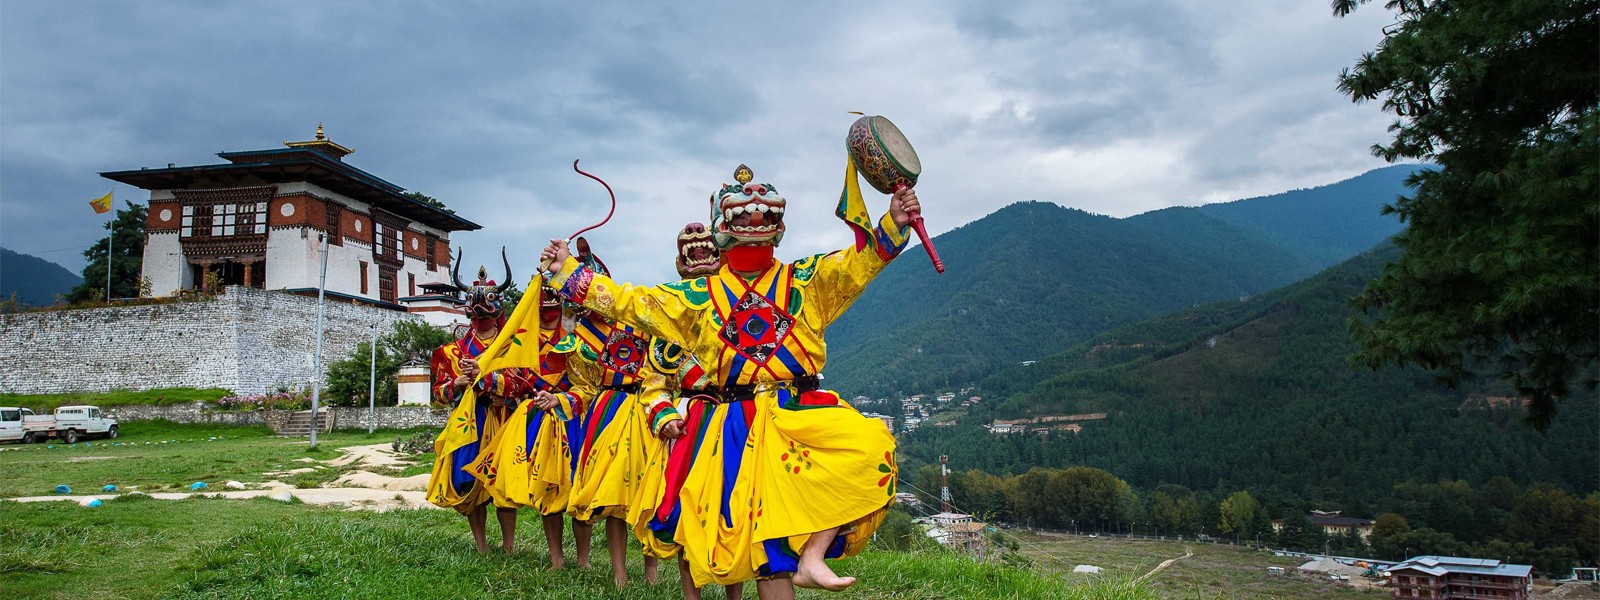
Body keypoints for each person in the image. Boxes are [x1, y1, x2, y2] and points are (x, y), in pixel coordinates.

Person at [540, 165, 920, 598]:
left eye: (764, 211)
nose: (754, 217)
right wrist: (568, 270)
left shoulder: (805, 280)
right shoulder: (695, 298)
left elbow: (859, 262)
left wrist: (893, 221)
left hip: (799, 410)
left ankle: (813, 555)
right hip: (736, 423)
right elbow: (631, 302)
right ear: (724, 226)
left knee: (873, 449)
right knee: (760, 543)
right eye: (742, 213)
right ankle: (787, 565)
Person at [628, 222, 744, 600]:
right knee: (684, 515)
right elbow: (653, 383)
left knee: (736, 513)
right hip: (693, 426)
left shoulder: (743, 310)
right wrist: (664, 416)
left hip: (741, 422)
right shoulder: (670, 322)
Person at [560, 240, 685, 589]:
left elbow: (665, 366)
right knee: (614, 499)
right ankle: (619, 574)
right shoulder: (581, 334)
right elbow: (582, 384)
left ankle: (651, 573)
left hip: (648, 409)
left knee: (650, 491)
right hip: (608, 410)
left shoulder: (641, 322)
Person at [476, 284, 589, 568]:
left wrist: (562, 398)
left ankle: (584, 560)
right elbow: (512, 381)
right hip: (534, 419)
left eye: (553, 306)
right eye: (542, 307)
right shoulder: (522, 342)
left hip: (572, 418)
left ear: (562, 307)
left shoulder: (578, 339)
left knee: (579, 488)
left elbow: (587, 383)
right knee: (546, 489)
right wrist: (485, 378)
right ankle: (556, 559)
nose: (548, 312)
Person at [424, 252, 531, 554]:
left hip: (504, 419)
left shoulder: (512, 346)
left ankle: (509, 546)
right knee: (470, 483)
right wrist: (456, 384)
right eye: (475, 316)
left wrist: (496, 384)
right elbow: (439, 392)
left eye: (486, 316)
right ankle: (482, 545)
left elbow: (525, 384)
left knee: (503, 486)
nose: (481, 320)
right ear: (468, 315)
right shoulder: (453, 351)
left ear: (498, 313)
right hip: (469, 421)